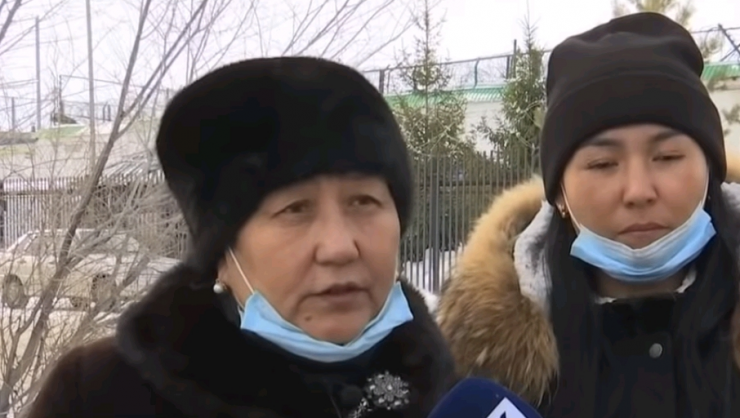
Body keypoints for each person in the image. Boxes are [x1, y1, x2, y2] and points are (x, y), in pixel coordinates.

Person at [27, 57, 457, 418]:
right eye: (295, 209)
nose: (340, 247)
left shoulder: (458, 394)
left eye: (364, 201)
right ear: (221, 255)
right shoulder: (100, 398)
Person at [437, 12, 740, 418]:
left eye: (667, 157)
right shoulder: (481, 366)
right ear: (559, 195)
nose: (638, 191)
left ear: (710, 173)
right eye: (602, 164)